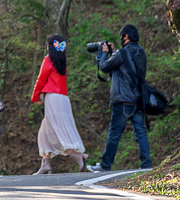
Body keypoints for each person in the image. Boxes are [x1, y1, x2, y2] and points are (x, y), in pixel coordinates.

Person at [88, 23, 152, 173]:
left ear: (126, 36)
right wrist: (114, 52)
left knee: (115, 133)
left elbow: (104, 67)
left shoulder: (122, 53)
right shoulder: (141, 52)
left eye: (121, 36)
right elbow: (125, 68)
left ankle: (105, 165)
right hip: (138, 100)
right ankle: (146, 165)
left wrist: (104, 53)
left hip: (123, 100)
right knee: (140, 132)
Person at [30, 34, 88, 174]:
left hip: (53, 97)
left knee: (56, 130)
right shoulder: (62, 62)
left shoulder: (48, 60)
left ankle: (76, 155)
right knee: (45, 130)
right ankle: (46, 163)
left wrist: (35, 97)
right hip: (63, 98)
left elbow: (40, 79)